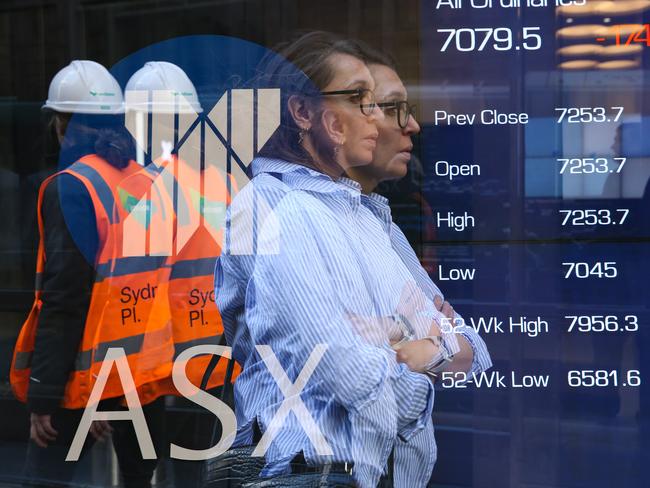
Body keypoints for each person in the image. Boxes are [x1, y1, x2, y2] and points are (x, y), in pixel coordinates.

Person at [216, 31, 483, 488]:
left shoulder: (364, 216)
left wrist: (399, 340)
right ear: (302, 112)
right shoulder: (275, 206)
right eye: (361, 99)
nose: (377, 118)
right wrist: (415, 356)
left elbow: (471, 349)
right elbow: (343, 368)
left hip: (369, 469)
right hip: (310, 469)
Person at [9, 60, 173, 488]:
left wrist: (44, 396)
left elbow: (65, 298)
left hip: (82, 377)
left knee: (44, 481)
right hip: (140, 373)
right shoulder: (147, 180)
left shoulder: (73, 186)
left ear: (60, 124)